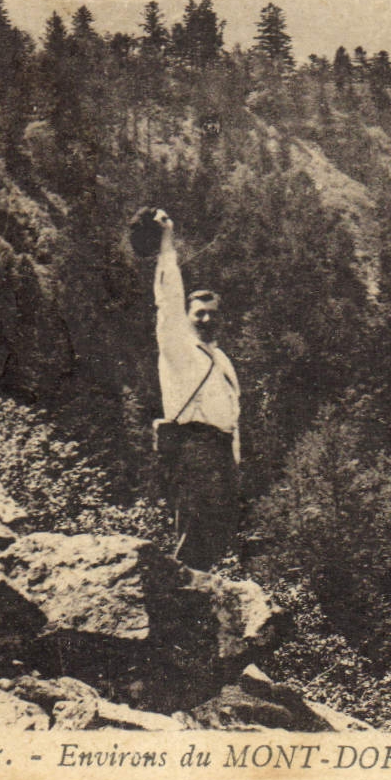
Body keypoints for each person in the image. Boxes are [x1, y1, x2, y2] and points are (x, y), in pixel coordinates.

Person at [151, 208, 240, 569]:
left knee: (216, 537)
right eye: (198, 314)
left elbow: (234, 421)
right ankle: (183, 609)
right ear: (187, 320)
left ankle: (198, 603)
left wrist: (235, 463)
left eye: (212, 314)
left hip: (219, 454)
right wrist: (166, 244)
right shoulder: (178, 348)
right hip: (192, 448)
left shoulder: (222, 361)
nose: (205, 319)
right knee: (193, 531)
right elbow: (168, 300)